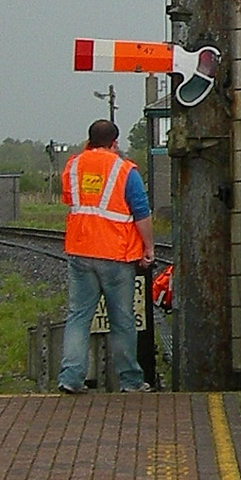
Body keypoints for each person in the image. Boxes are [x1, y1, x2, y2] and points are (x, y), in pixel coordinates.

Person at [57, 119, 156, 393]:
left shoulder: (73, 166)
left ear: (89, 140)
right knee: (122, 320)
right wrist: (149, 247)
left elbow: (72, 201)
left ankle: (70, 378)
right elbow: (141, 212)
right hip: (116, 256)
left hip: (79, 252)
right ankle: (130, 381)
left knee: (78, 316)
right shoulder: (125, 170)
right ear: (115, 142)